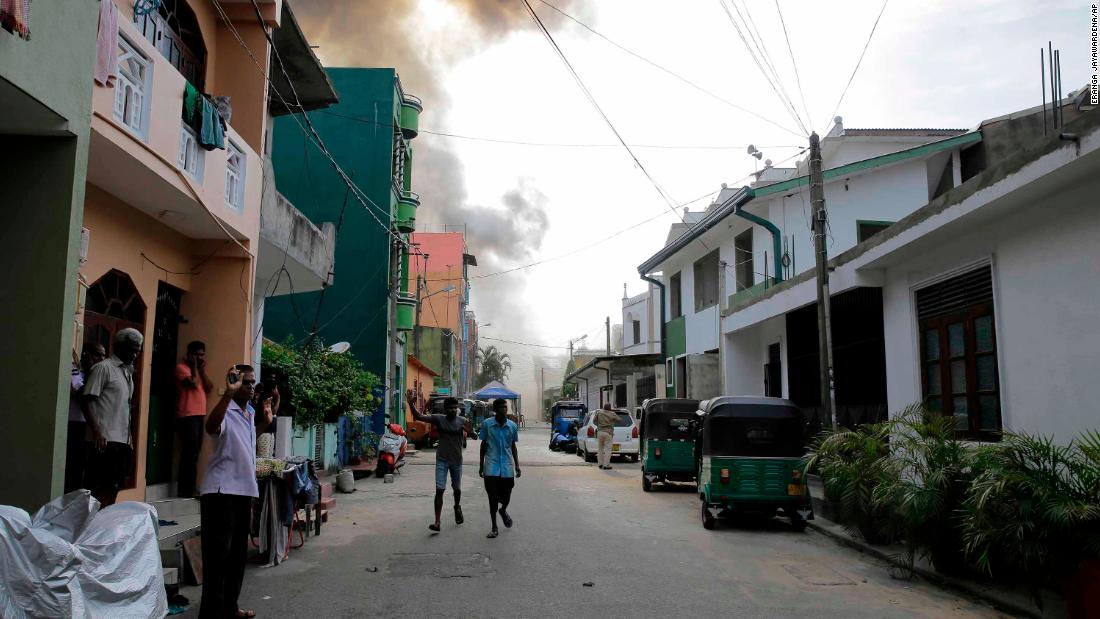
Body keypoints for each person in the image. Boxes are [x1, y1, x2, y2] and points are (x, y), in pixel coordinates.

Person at [199, 365, 273, 619]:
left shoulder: (249, 413)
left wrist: (264, 422)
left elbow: (245, 442)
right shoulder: (225, 410)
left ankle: (230, 607)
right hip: (221, 491)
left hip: (243, 491)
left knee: (237, 557)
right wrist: (227, 395)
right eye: (246, 382)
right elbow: (211, 427)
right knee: (218, 558)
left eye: (253, 383)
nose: (251, 387)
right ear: (234, 382)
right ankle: (212, 613)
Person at [82, 328, 143, 506]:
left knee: (114, 485)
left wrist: (129, 437)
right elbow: (87, 401)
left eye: (138, 350)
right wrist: (97, 432)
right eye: (132, 349)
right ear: (119, 346)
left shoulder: (128, 372)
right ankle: (92, 526)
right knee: (99, 488)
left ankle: (104, 525)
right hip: (104, 440)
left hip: (121, 441)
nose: (135, 354)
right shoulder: (104, 368)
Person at [407, 392, 472, 532]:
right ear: (445, 409)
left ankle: (457, 506)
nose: (453, 410)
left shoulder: (462, 420)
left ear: (458, 409)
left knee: (457, 489)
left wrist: (469, 431)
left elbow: (474, 434)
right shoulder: (439, 419)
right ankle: (437, 521)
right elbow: (419, 416)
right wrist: (411, 404)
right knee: (440, 490)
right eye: (450, 408)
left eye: (455, 408)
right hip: (442, 460)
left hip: (456, 461)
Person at [64, 342, 106, 493]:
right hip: (75, 424)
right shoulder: (75, 370)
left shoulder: (97, 374)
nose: (101, 359)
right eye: (97, 355)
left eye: (103, 355)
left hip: (91, 426)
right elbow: (82, 395)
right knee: (72, 468)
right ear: (86, 354)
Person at [175, 340, 213, 497]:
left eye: (202, 355)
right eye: (197, 355)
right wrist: (195, 368)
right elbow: (193, 384)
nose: (200, 357)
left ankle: (190, 488)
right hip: (187, 415)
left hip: (199, 415)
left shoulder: (199, 370)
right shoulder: (181, 368)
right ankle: (185, 490)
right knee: (189, 454)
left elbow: (209, 387)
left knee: (195, 453)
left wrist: (202, 371)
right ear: (189, 354)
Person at [479, 399, 521, 538]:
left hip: (507, 466)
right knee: (492, 497)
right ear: (495, 409)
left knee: (506, 496)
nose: (504, 409)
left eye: (505, 407)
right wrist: (481, 465)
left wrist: (517, 465)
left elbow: (513, 446)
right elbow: (483, 445)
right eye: (502, 407)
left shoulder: (512, 426)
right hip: (491, 465)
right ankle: (494, 527)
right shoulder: (487, 424)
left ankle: (503, 510)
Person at [594, 402, 619, 470]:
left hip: (600, 432)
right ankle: (606, 465)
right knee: (608, 449)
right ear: (610, 408)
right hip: (608, 433)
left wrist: (599, 424)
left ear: (604, 407)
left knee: (600, 449)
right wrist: (613, 418)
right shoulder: (612, 414)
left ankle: (600, 464)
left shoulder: (599, 412)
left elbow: (594, 420)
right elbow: (619, 419)